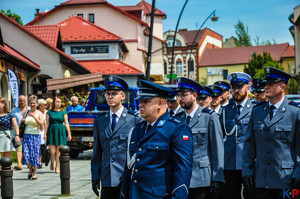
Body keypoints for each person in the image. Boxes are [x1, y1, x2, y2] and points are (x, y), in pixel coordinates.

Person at [120, 80, 194, 199]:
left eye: (146, 101)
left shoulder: (176, 129)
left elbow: (182, 171)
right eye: (140, 101)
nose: (140, 105)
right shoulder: (137, 130)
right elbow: (129, 169)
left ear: (160, 103)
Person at [242, 67, 300, 199]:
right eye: (265, 83)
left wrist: (298, 174)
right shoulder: (257, 112)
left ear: (283, 87)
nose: (266, 86)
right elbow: (249, 146)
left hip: (287, 181)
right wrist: (247, 172)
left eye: (271, 84)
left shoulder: (295, 112)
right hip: (261, 181)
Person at [91, 75, 142, 198]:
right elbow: (97, 152)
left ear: (122, 96)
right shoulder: (100, 121)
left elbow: (139, 152)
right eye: (108, 94)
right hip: (107, 178)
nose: (110, 97)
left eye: (114, 94)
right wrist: (95, 176)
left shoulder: (134, 120)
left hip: (127, 177)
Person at [175, 77, 224, 199]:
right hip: (181, 179)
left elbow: (217, 150)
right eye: (179, 95)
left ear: (194, 95)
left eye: (184, 95)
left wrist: (217, 178)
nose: (180, 99)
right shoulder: (177, 119)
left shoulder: (209, 117)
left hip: (202, 179)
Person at [220, 72, 254, 199]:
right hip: (229, 164)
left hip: (249, 164)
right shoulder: (226, 110)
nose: (236, 90)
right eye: (234, 87)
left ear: (248, 88)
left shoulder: (255, 109)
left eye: (240, 87)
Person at [45, 96, 72, 173]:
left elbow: (66, 123)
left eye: (60, 102)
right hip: (51, 131)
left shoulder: (63, 112)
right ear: (54, 102)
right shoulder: (49, 112)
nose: (58, 103)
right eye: (57, 101)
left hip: (60, 131)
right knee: (52, 151)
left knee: (59, 151)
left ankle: (57, 167)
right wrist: (45, 133)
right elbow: (47, 123)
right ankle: (52, 161)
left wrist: (69, 133)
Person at [22, 95, 44, 180]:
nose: (32, 105)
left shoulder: (39, 113)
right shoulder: (26, 112)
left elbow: (42, 125)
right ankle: (30, 168)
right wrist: (23, 121)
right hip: (27, 135)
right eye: (31, 103)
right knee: (26, 155)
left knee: (34, 155)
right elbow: (24, 122)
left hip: (36, 135)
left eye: (34, 103)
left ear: (37, 104)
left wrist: (34, 117)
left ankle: (34, 173)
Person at [0, 97, 20, 187]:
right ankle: (0, 181)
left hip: (6, 137)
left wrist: (17, 135)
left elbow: (15, 126)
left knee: (7, 161)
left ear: (3, 104)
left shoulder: (10, 115)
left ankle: (7, 179)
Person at [11, 95, 30, 170]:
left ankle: (28, 163)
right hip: (18, 132)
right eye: (20, 101)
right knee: (18, 147)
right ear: (18, 101)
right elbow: (11, 120)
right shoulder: (14, 110)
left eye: (23, 101)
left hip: (28, 131)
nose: (22, 102)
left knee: (27, 148)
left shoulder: (29, 109)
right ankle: (19, 164)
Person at [38, 99, 48, 169]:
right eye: (44, 105)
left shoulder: (47, 113)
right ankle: (39, 162)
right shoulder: (37, 113)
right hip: (39, 131)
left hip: (46, 131)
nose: (45, 106)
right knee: (40, 148)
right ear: (40, 106)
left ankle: (46, 159)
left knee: (46, 147)